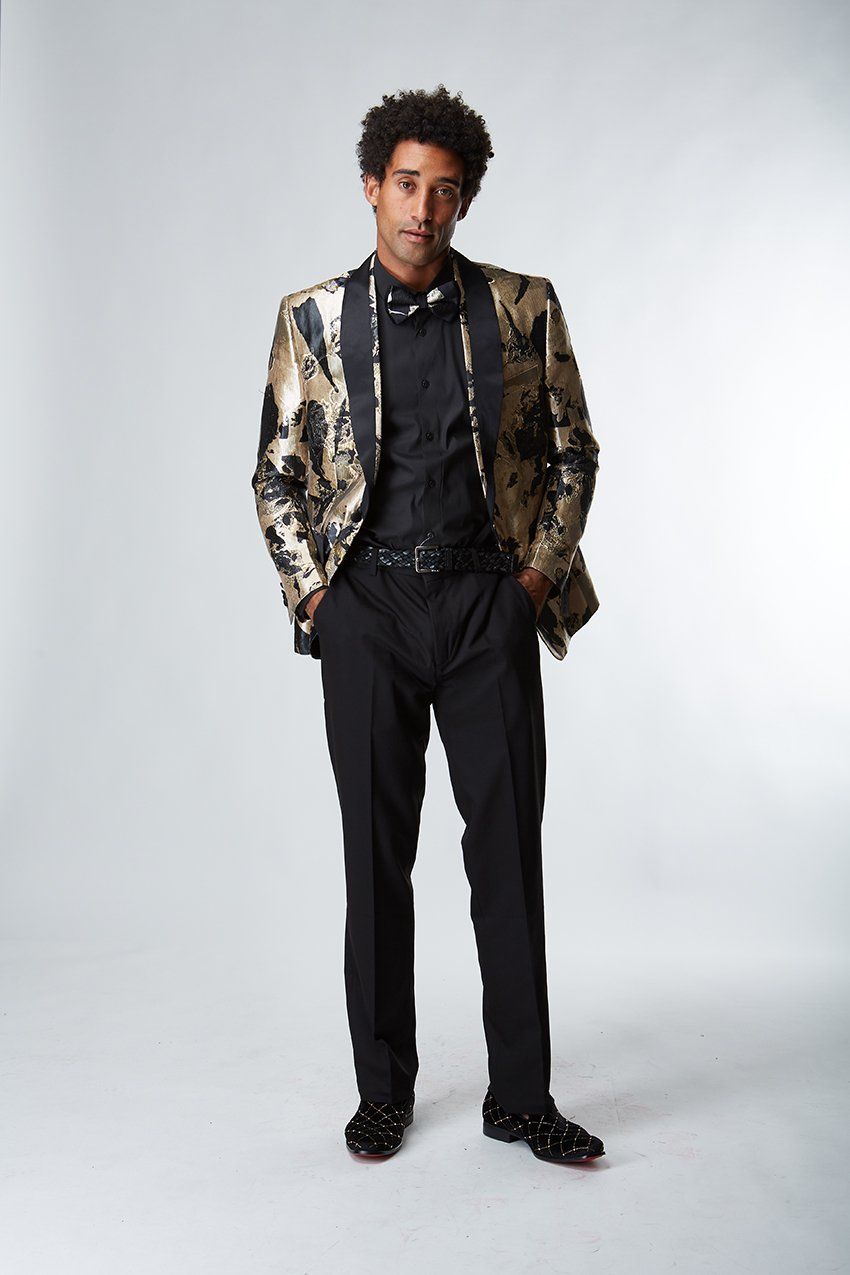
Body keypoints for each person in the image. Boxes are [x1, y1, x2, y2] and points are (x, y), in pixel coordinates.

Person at [252, 84, 605, 1164]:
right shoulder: (312, 317)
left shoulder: (522, 306)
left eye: (444, 191)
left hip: (485, 604)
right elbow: (276, 474)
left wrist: (531, 584)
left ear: (464, 201)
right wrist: (321, 601)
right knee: (375, 860)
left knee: (507, 857)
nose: (423, 208)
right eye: (407, 184)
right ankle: (383, 1091)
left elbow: (572, 452)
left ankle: (521, 1098)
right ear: (373, 186)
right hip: (369, 611)